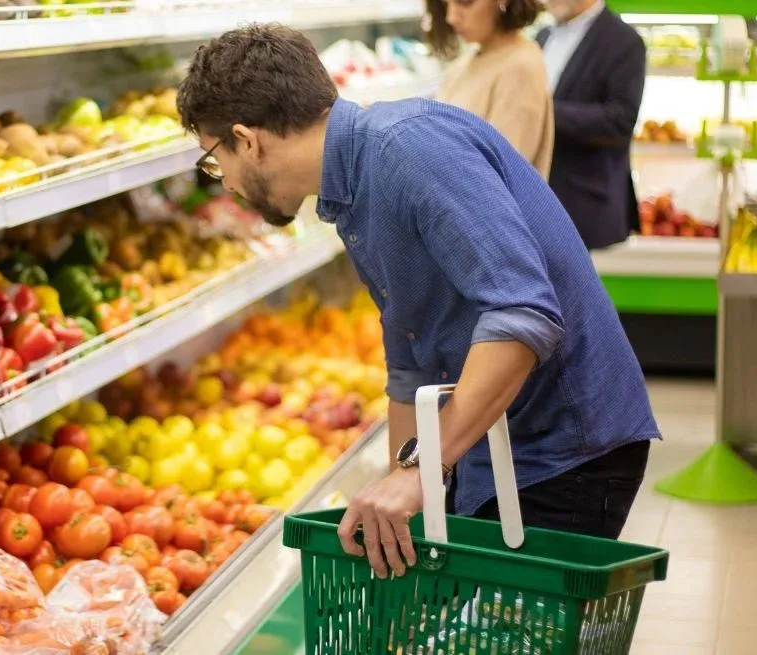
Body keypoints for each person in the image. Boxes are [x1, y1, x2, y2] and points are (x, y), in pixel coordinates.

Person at [177, 24, 658, 579]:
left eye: (215, 161)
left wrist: (423, 471)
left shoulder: (407, 150)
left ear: (248, 139)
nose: (225, 183)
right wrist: (397, 492)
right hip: (493, 443)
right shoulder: (350, 191)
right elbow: (411, 364)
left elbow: (523, 315)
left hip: (563, 449)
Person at [538, 0, 647, 249]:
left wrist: (541, 112)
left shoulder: (624, 41)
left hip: (587, 209)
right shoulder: (542, 36)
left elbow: (620, 121)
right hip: (541, 204)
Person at [429, 0, 554, 177]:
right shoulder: (464, 64)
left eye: (464, 2)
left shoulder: (520, 68)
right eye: (445, 4)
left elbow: (496, 176)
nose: (451, 17)